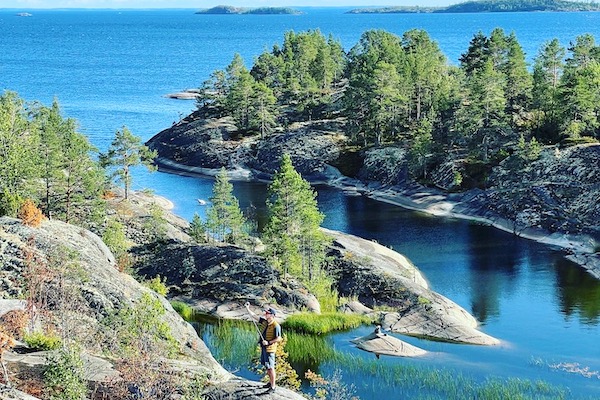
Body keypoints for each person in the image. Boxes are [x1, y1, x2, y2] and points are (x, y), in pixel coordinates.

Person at [245, 303, 282, 392]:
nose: (266, 314)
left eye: (267, 313)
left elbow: (279, 338)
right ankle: (270, 382)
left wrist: (268, 342)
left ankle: (273, 387)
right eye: (266, 313)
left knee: (271, 367)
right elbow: (254, 316)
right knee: (267, 366)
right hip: (264, 348)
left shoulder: (276, 326)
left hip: (270, 350)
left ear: (272, 315)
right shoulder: (265, 322)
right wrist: (247, 308)